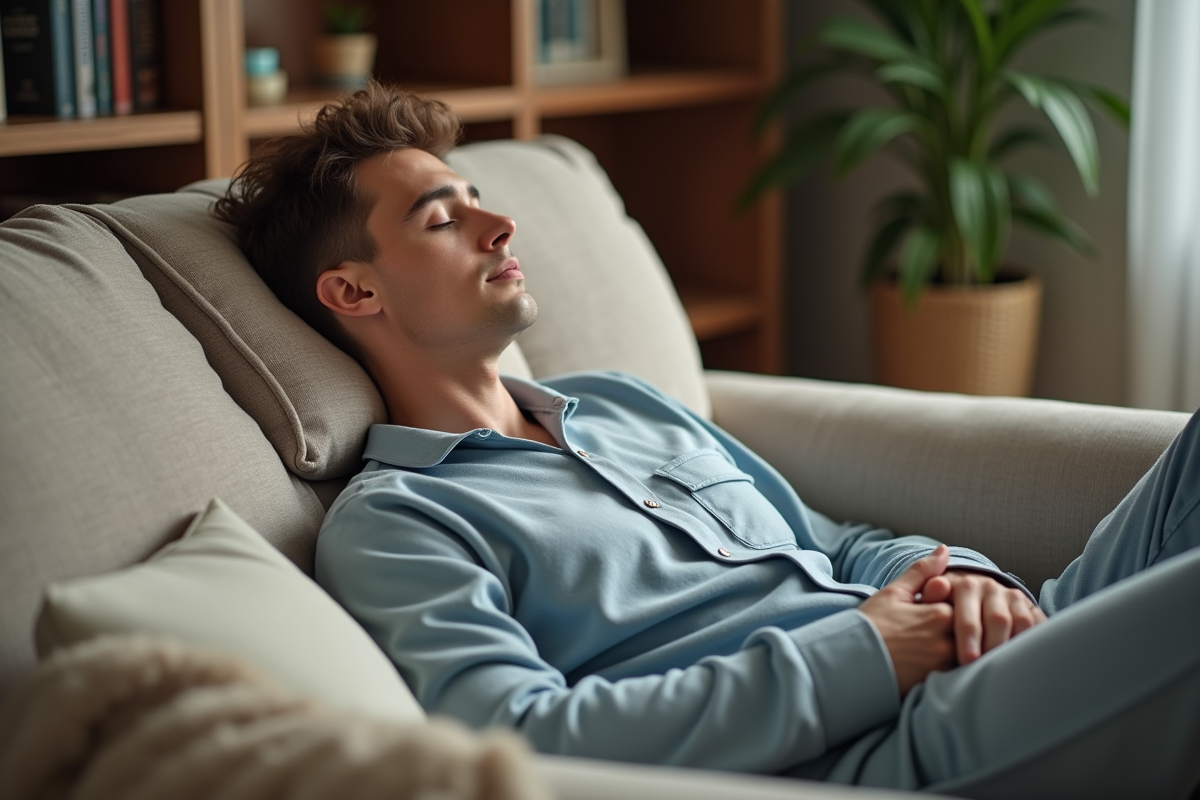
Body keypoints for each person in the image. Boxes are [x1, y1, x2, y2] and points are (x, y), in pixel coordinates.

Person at [215, 83, 1200, 798]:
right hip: (897, 749)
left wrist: (967, 580)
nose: (500, 220)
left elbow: (839, 539)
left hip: (982, 646)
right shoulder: (399, 521)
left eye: (478, 196)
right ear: (355, 290)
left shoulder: (617, 403)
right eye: (443, 217)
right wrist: (865, 654)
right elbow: (518, 737)